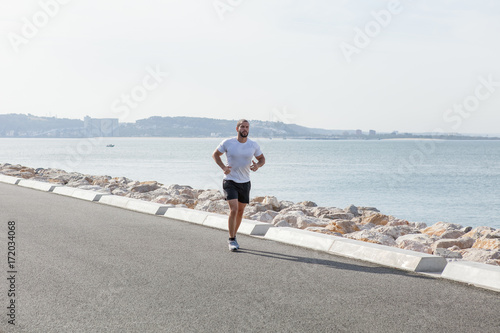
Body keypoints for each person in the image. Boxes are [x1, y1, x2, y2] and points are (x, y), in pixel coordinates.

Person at [212, 119, 265, 251]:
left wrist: (257, 165)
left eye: (247, 127)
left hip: (245, 182)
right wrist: (223, 167)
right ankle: (231, 239)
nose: (245, 129)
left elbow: (262, 159)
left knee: (241, 211)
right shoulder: (228, 142)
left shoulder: (253, 145)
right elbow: (215, 155)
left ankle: (233, 235)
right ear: (237, 129)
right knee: (234, 209)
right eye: (242, 127)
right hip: (230, 181)